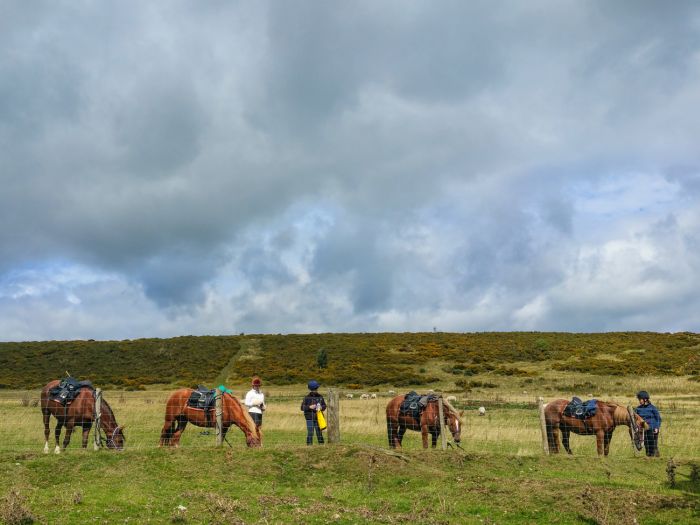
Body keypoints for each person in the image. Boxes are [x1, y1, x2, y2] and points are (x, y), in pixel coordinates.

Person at [635, 390, 661, 457]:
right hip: (643, 429)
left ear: (645, 399)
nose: (639, 401)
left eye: (640, 399)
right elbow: (635, 419)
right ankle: (648, 456)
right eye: (639, 399)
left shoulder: (652, 408)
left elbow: (658, 418)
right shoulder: (638, 409)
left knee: (652, 443)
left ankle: (653, 455)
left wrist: (657, 427)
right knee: (646, 443)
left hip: (652, 428)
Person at [301, 380, 326, 445]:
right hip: (309, 418)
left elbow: (324, 406)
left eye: (315, 389)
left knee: (319, 432)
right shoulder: (306, 398)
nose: (314, 391)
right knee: (310, 432)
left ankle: (321, 444)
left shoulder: (320, 397)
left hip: (318, 418)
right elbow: (302, 408)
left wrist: (321, 408)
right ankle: (309, 445)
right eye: (313, 389)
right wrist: (309, 407)